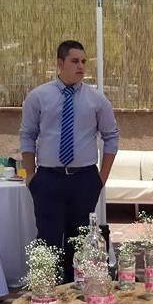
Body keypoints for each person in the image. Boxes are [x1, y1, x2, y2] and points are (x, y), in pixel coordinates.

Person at [20, 40, 119, 282]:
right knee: (48, 239)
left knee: (79, 240)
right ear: (60, 63)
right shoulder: (38, 97)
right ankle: (47, 290)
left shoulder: (97, 100)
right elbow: (27, 135)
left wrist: (101, 178)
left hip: (84, 179)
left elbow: (112, 137)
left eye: (84, 61)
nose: (81, 67)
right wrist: (31, 176)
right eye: (75, 61)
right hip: (48, 178)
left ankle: (75, 291)